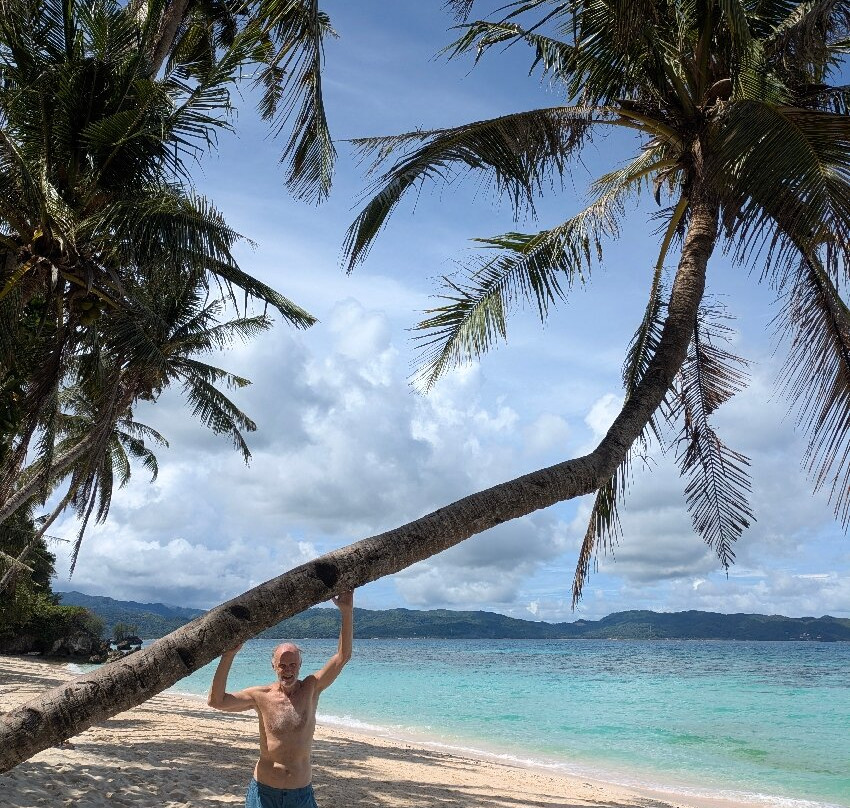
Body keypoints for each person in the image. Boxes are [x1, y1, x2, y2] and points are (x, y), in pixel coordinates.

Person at [208, 591, 354, 808]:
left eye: (293, 664)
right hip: (264, 793)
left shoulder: (311, 688)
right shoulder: (261, 695)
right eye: (282, 665)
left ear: (300, 665)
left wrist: (346, 612)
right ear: (273, 666)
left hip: (300, 794)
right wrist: (228, 655)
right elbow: (216, 701)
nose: (288, 670)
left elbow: (342, 657)